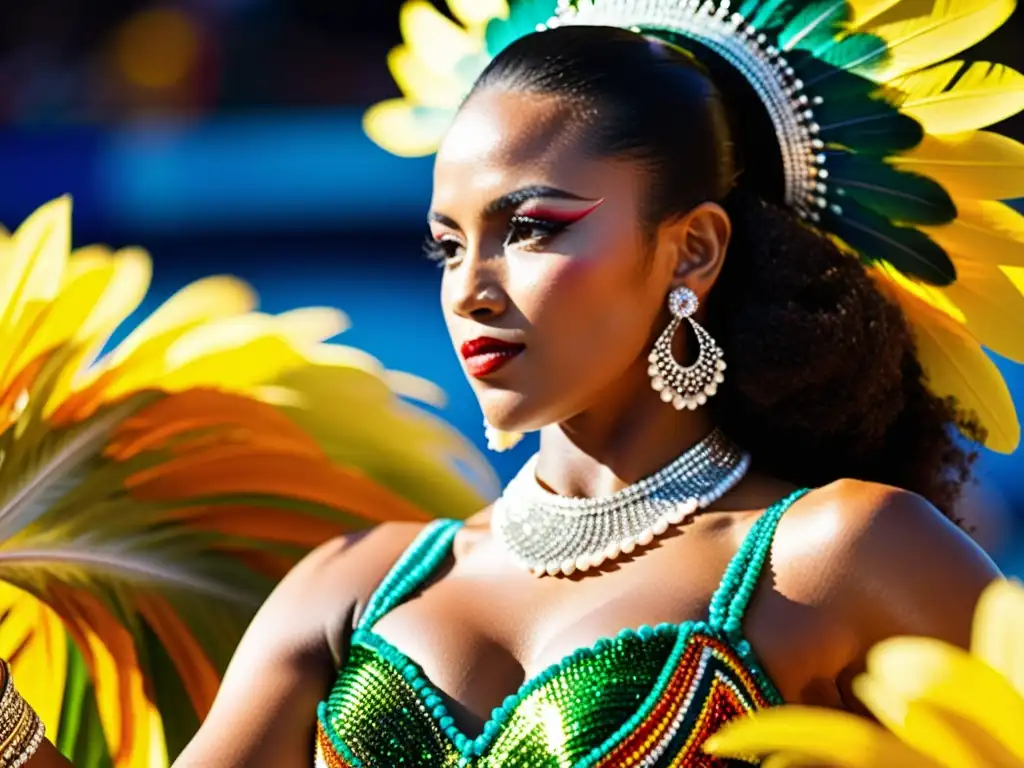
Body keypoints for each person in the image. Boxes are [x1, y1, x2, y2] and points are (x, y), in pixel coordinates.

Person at [8, 0, 1024, 765]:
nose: (470, 289)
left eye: (532, 229)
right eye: (448, 245)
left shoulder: (840, 555)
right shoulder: (351, 585)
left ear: (692, 251)